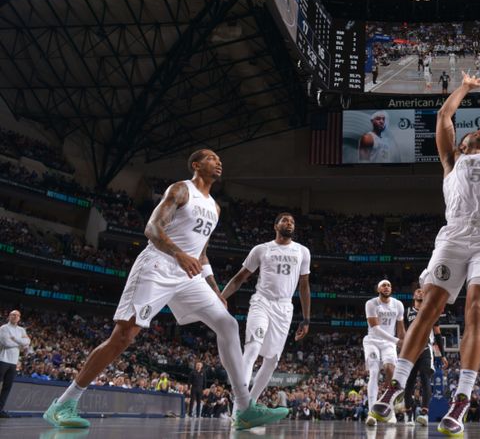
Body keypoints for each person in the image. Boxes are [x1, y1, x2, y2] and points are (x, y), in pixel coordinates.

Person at [43, 150, 287, 430]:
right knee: (123, 337)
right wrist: (178, 253)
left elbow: (202, 254)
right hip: (158, 265)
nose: (218, 161)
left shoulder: (216, 208)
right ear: (196, 165)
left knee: (228, 324)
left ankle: (244, 408)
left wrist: (215, 290)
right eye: (210, 158)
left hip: (189, 276)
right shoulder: (181, 189)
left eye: (219, 159)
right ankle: (64, 403)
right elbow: (152, 228)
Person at [370, 72, 480, 437]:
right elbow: (443, 119)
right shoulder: (452, 160)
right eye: (474, 135)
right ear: (463, 144)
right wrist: (464, 87)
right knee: (429, 306)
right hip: (454, 236)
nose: (478, 136)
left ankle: (462, 397)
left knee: (477, 308)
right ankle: (396, 385)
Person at [220, 212, 311, 403]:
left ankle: (250, 404)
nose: (289, 223)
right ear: (276, 226)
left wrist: (306, 318)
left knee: (272, 361)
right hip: (262, 302)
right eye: (285, 220)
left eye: (292, 221)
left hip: (285, 307)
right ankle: (240, 405)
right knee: (252, 349)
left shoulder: (303, 251)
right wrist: (220, 297)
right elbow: (239, 278)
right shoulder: (261, 249)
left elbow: (304, 285)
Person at [402, 287, 447, 426]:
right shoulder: (407, 312)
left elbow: (438, 334)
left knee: (425, 378)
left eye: (423, 291)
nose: (420, 292)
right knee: (409, 381)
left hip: (426, 348)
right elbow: (402, 332)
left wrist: (442, 355)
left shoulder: (431, 312)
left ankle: (424, 413)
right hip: (410, 349)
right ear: (413, 295)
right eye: (417, 291)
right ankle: (408, 413)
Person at [363, 280, 405, 426]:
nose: (387, 287)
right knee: (374, 372)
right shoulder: (371, 303)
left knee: (390, 370)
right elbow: (375, 328)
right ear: (378, 289)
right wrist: (396, 340)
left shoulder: (398, 304)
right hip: (372, 341)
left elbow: (400, 328)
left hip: (389, 344)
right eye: (383, 285)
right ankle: (372, 414)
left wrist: (403, 343)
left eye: (389, 285)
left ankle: (389, 409)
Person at [0, 310, 30, 417]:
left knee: (7, 387)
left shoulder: (21, 330)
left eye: (17, 315)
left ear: (19, 318)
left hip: (13, 363)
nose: (15, 316)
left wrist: (15, 339)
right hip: (2, 360)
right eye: (13, 314)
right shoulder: (4, 328)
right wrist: (20, 342)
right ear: (9, 316)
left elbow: (27, 342)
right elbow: (6, 343)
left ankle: (0, 409)